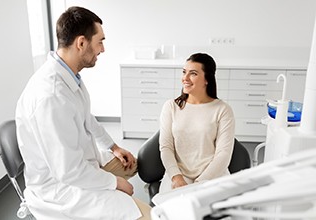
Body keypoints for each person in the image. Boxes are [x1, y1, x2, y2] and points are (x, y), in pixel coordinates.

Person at [15, 6, 151, 220]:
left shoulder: (70, 76)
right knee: (148, 216)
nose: (103, 49)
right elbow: (68, 171)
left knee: (131, 165)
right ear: (81, 43)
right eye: (100, 41)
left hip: (81, 163)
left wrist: (113, 147)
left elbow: (87, 117)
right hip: (61, 188)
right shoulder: (50, 97)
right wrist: (115, 183)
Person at [158, 53, 235, 193]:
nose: (185, 78)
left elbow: (223, 155)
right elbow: (166, 147)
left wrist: (199, 184)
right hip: (178, 175)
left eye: (193, 74)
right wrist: (176, 177)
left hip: (213, 175)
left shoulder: (223, 110)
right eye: (184, 72)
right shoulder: (171, 107)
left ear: (207, 79)